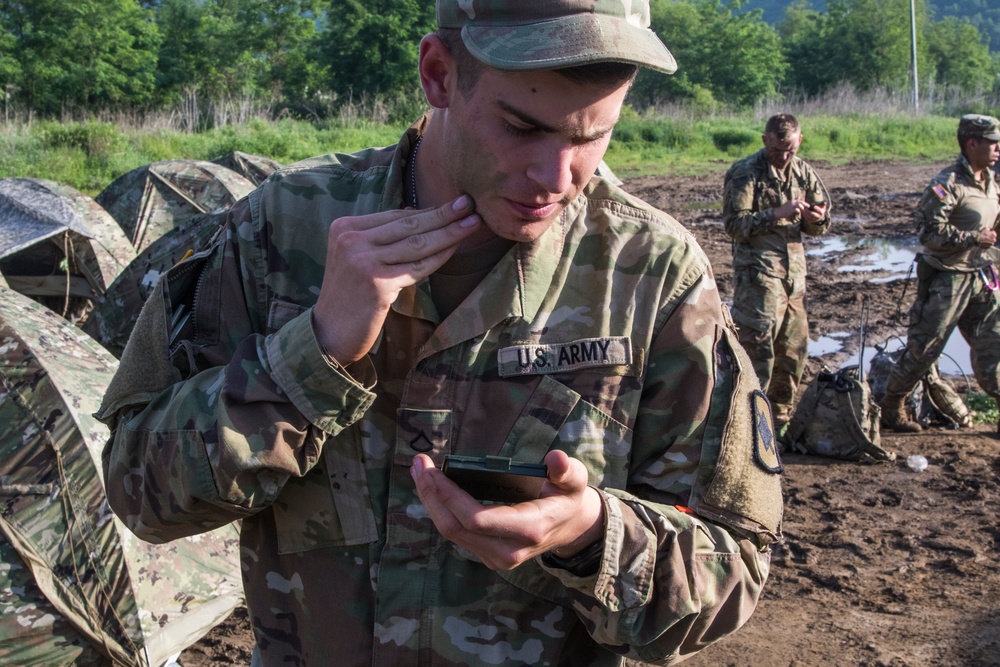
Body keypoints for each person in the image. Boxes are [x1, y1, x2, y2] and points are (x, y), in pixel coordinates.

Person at [96, 2, 783, 664]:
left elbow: (734, 569)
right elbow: (137, 492)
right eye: (521, 127)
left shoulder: (653, 275)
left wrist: (591, 535)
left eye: (591, 135)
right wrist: (314, 354)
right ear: (439, 74)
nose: (556, 177)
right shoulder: (283, 229)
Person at [880, 114, 1000, 433]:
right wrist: (973, 237)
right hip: (948, 279)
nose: (998, 147)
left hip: (982, 276)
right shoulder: (947, 184)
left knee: (994, 342)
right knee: (924, 349)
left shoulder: (990, 181)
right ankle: (892, 407)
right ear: (972, 143)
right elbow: (927, 231)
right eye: (992, 141)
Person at [722, 113, 831, 438]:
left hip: (793, 279)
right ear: (765, 141)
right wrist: (775, 214)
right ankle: (748, 426)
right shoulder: (746, 172)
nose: (783, 157)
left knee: (794, 349)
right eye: (777, 150)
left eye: (789, 150)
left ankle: (780, 420)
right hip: (759, 278)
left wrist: (816, 218)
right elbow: (734, 224)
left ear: (799, 141)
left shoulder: (803, 171)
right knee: (759, 352)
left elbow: (822, 223)